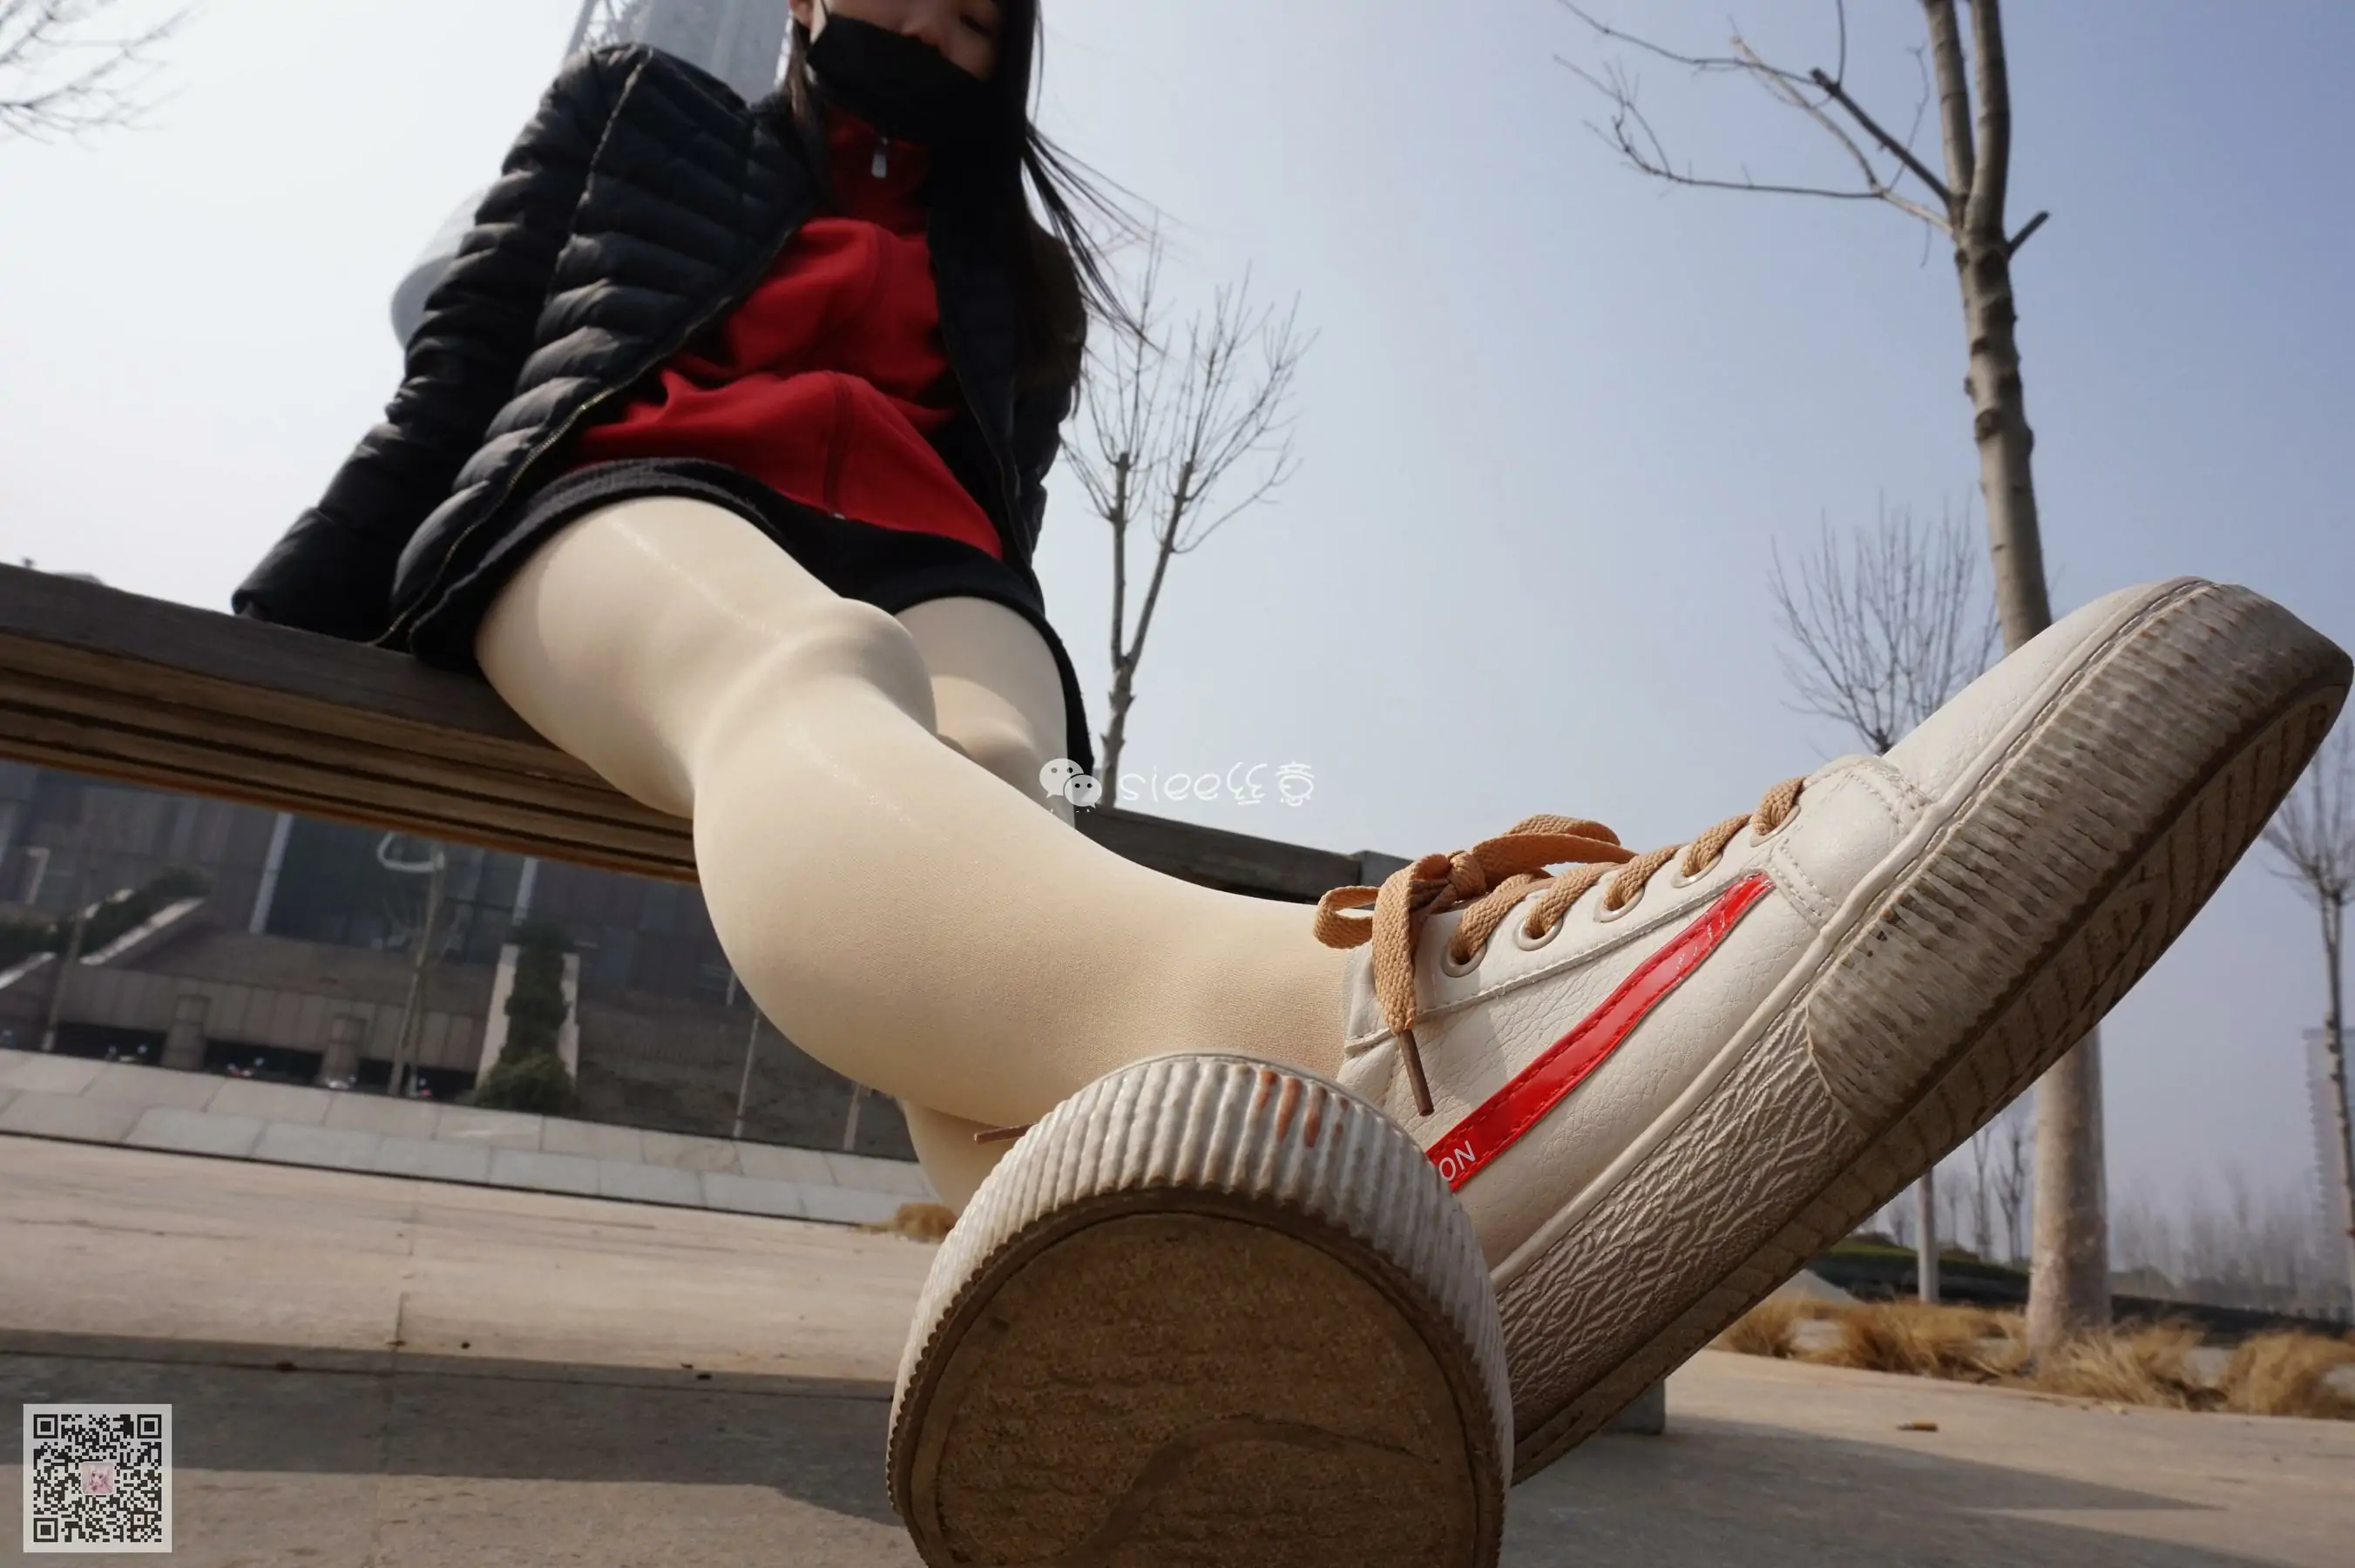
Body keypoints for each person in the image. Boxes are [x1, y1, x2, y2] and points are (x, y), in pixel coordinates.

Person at [232, 3, 2350, 1563]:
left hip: (941, 572)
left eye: (983, 15)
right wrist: (278, 630)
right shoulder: (640, 111)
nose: (946, 22)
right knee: (809, 672)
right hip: (627, 508)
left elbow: (996, 503)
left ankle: (1169, 1326)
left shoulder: (1010, 270)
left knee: (983, 764)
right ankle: (1371, 1063)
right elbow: (471, 359)